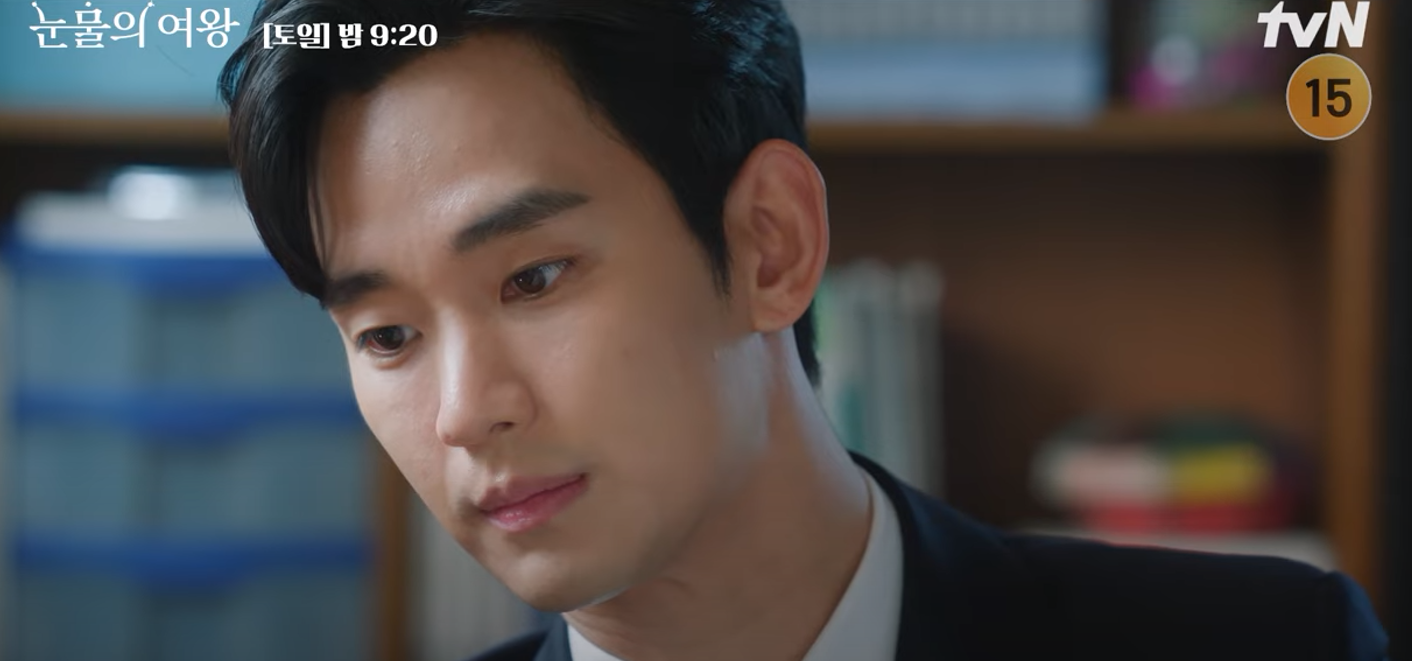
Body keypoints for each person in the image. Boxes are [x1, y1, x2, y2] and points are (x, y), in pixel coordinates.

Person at [217, 1, 1390, 659]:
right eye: (386, 336)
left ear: (769, 244)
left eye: (532, 277)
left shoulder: (1268, 648)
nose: (466, 412)